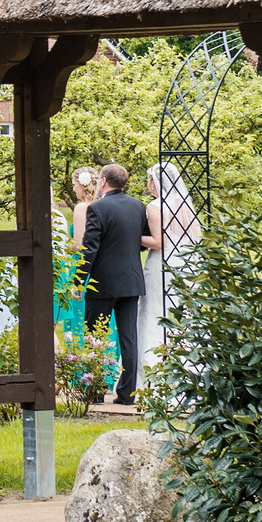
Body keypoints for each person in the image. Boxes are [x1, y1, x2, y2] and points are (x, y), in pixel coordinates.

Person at [82, 164, 151, 406]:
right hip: (131, 280)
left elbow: (90, 248)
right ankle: (127, 393)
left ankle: (96, 390)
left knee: (95, 336)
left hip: (102, 282)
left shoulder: (97, 208)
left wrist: (79, 279)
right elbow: (142, 242)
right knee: (128, 337)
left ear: (102, 182)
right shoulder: (138, 206)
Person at [138, 162, 200, 381]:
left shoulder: (155, 206)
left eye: (149, 180)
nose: (148, 185)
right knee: (182, 312)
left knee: (155, 311)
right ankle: (190, 369)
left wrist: (132, 236)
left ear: (155, 182)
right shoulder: (185, 205)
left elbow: (158, 242)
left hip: (162, 265)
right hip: (186, 263)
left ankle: (153, 372)